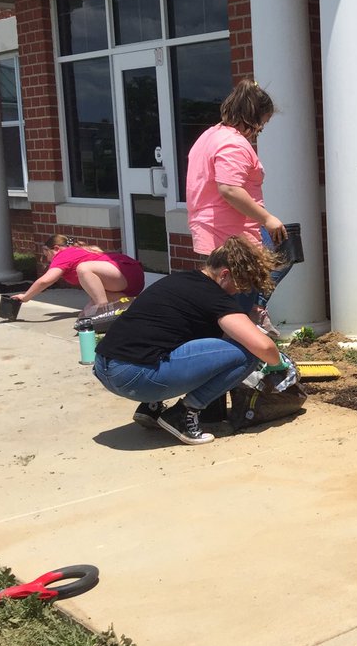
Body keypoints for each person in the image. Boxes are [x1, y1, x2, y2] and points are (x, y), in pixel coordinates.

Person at [92, 236, 286, 446]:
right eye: (240, 284)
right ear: (224, 274)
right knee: (247, 353)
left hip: (104, 366)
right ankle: (183, 415)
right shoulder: (215, 297)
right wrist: (278, 365)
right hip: (134, 377)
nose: (238, 291)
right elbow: (263, 346)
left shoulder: (180, 281)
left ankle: (151, 408)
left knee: (175, 340)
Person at [184, 79, 290, 336]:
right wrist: (268, 218)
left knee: (282, 254)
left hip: (219, 228)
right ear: (251, 117)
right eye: (261, 124)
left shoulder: (209, 136)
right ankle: (243, 344)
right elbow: (229, 189)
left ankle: (254, 311)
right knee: (235, 306)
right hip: (232, 232)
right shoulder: (232, 144)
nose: (259, 130)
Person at [14, 234, 145, 309]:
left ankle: (102, 310)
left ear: (56, 248)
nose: (47, 259)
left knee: (83, 268)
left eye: (47, 254)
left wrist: (25, 297)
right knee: (86, 314)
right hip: (130, 277)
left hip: (124, 272)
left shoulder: (64, 254)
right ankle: (135, 304)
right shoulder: (78, 251)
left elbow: (45, 280)